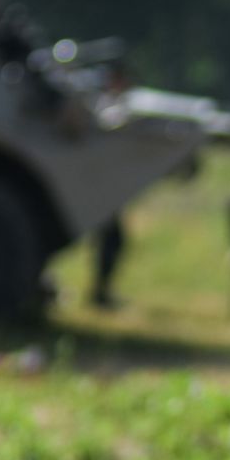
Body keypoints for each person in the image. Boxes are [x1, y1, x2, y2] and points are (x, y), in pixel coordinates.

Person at [88, 65, 133, 309]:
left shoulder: (111, 104)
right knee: (111, 240)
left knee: (112, 240)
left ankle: (101, 290)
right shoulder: (104, 105)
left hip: (105, 185)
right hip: (97, 185)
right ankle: (99, 293)